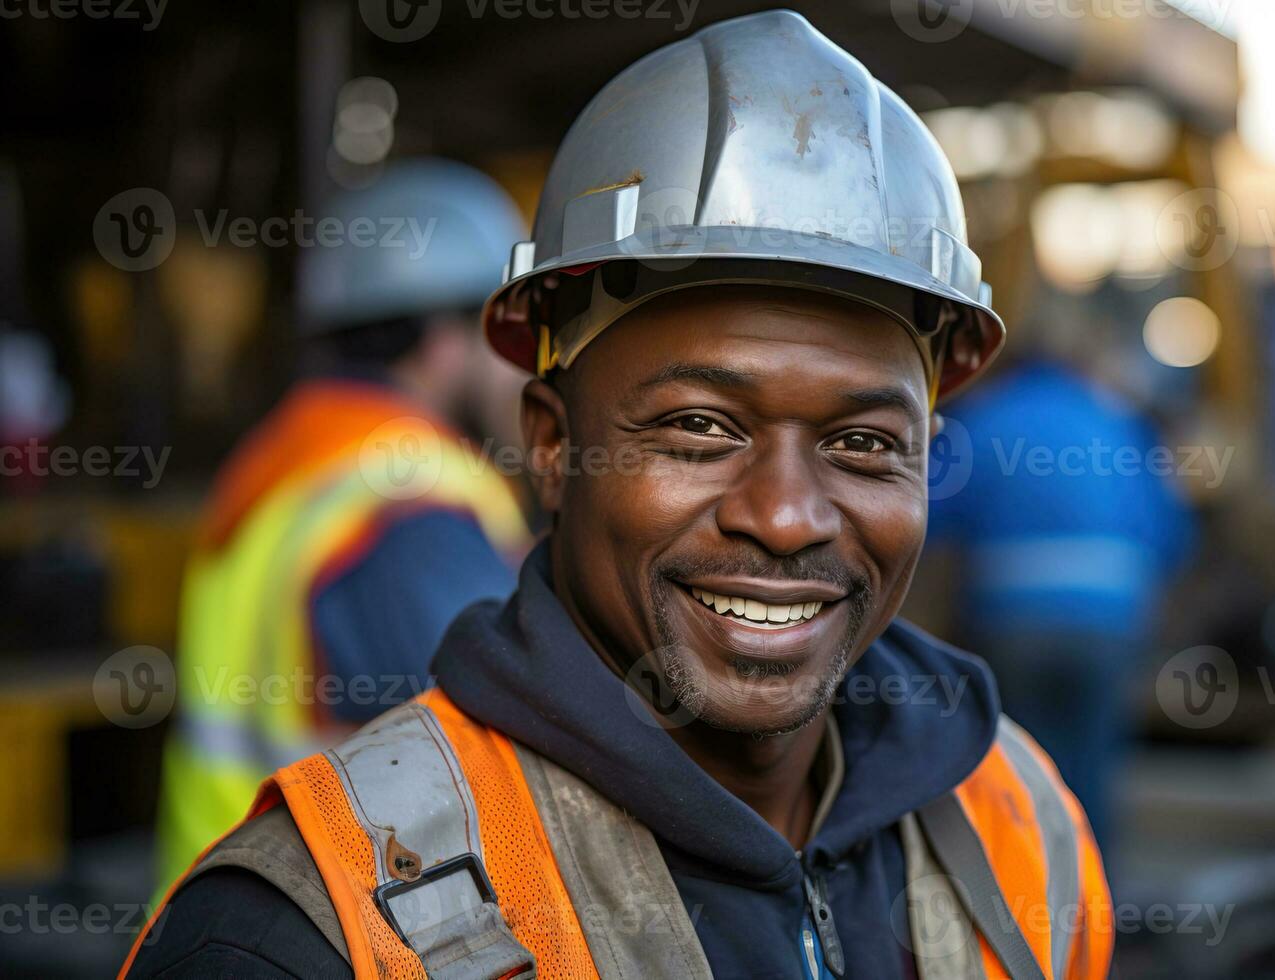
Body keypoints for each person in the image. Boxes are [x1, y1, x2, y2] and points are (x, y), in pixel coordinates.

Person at [126, 13, 1111, 978]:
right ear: (552, 445)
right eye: (700, 429)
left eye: (863, 444)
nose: (785, 516)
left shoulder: (1019, 826)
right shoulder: (306, 929)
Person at [152, 159, 532, 890]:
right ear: (444, 337)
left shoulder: (288, 455)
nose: (527, 370)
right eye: (510, 336)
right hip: (330, 934)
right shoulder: (413, 502)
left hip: (227, 918)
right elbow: (510, 766)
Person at [919, 342, 1196, 851]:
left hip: (1012, 618)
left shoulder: (985, 417)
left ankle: (1018, 894)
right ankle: (1094, 906)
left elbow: (925, 516)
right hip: (1110, 620)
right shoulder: (1117, 422)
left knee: (1017, 763)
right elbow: (1170, 533)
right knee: (1092, 764)